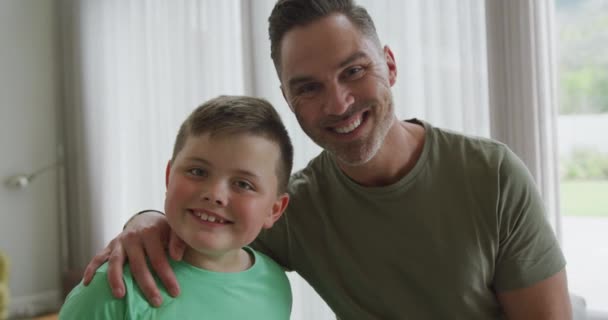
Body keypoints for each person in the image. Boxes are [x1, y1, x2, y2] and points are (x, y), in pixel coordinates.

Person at [82, 0, 573, 318]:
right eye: (309, 87)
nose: (338, 103)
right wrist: (144, 218)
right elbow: (211, 216)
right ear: (287, 98)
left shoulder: (490, 175)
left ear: (390, 65)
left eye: (354, 71)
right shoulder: (293, 207)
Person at [60, 96, 293, 319]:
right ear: (169, 176)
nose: (214, 195)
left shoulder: (275, 284)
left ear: (274, 210)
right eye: (198, 171)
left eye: (243, 184)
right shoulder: (113, 288)